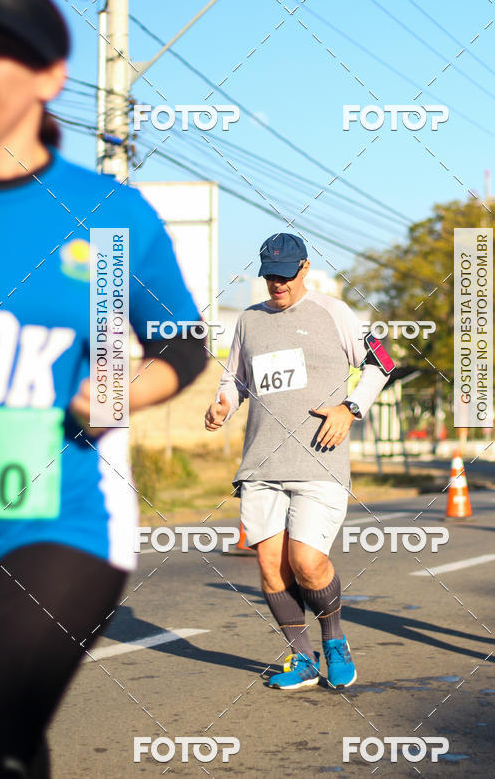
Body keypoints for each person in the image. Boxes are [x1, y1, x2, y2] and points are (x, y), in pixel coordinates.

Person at [0, 0, 207, 777]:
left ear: (52, 75)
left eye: (0, 51)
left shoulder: (106, 217)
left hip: (56, 511)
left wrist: (123, 387)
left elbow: (180, 341)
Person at [205, 233, 391, 690]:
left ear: (304, 269)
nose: (277, 284)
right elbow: (236, 378)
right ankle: (302, 658)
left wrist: (350, 408)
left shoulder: (334, 312)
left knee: (306, 561)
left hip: (319, 461)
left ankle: (334, 641)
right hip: (262, 464)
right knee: (271, 566)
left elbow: (382, 363)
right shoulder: (249, 320)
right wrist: (223, 403)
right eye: (270, 275)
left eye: (285, 276)